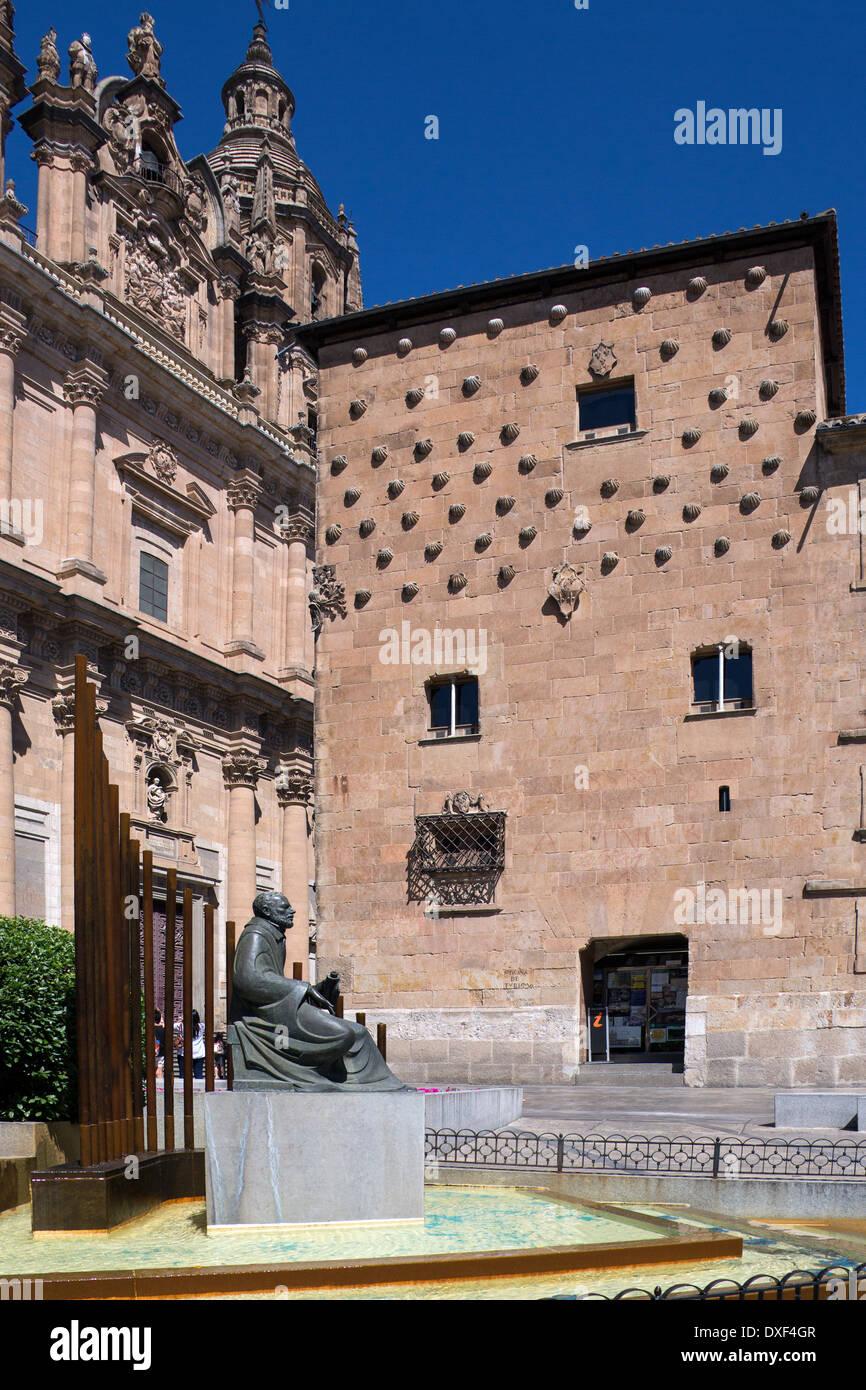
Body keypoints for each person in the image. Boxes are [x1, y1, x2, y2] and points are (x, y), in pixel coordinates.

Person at [229, 891, 410, 1091]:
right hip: (266, 1015)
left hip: (281, 1006)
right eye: (285, 907)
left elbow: (271, 980)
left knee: (359, 1033)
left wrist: (319, 989)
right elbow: (247, 980)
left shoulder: (274, 935)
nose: (292, 911)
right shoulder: (256, 935)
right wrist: (302, 988)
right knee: (343, 1035)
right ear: (266, 911)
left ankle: (380, 1084)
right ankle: (307, 1069)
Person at [191, 1009, 205, 1080]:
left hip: (187, 1053)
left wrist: (181, 1020)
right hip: (200, 1052)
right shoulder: (202, 1026)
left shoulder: (183, 1026)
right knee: (199, 1074)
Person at [154, 1009, 165, 1078]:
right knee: (159, 1070)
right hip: (161, 1052)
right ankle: (160, 1087)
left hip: (153, 1051)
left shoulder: (150, 1029)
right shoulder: (163, 1029)